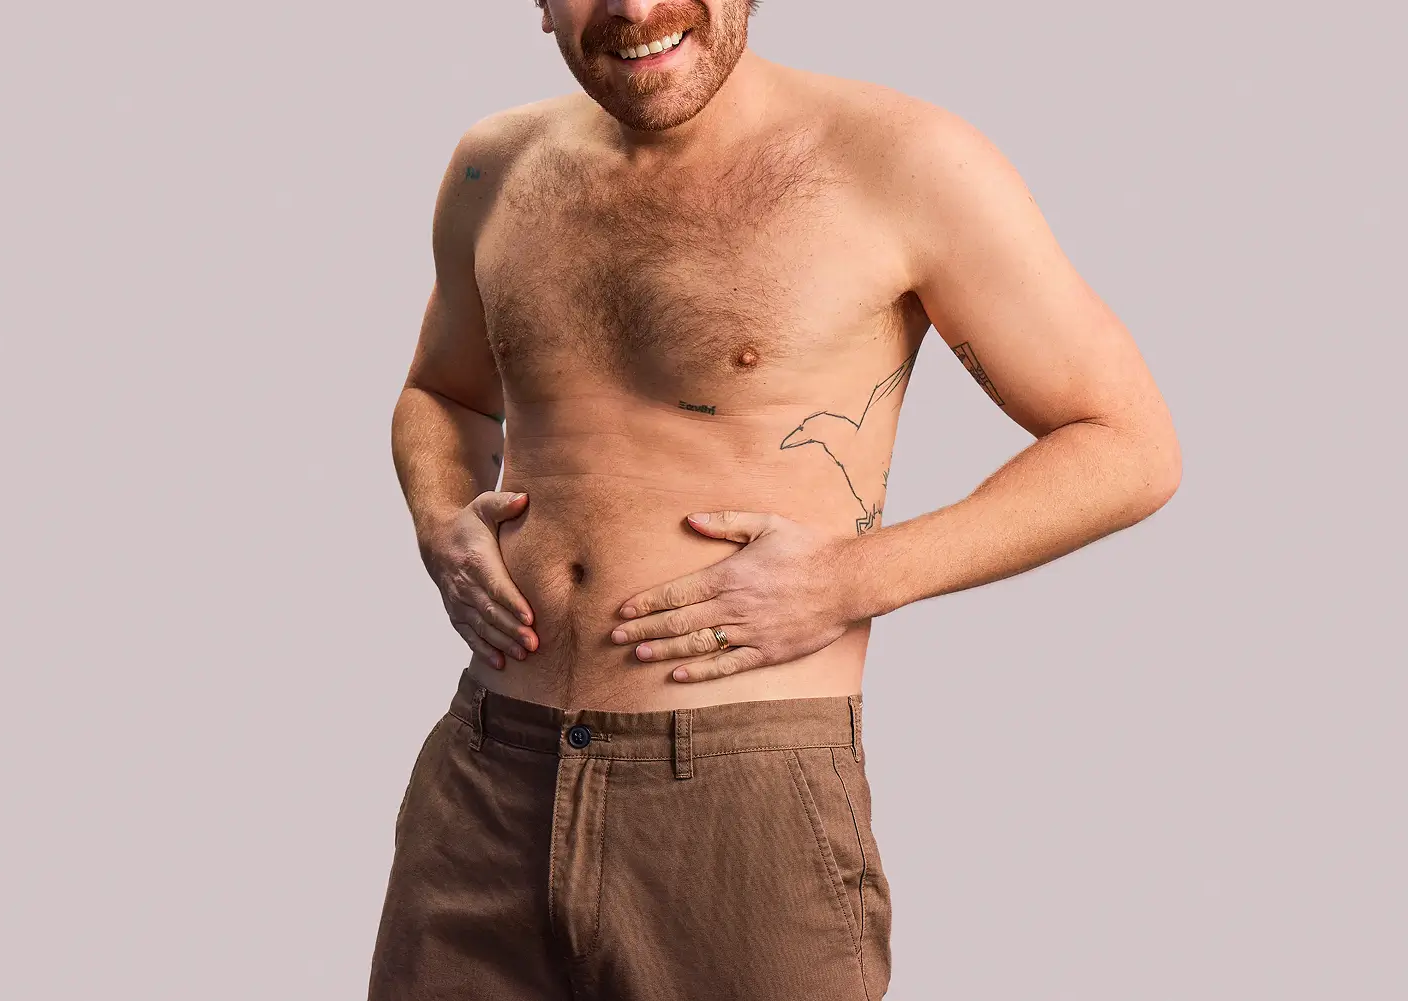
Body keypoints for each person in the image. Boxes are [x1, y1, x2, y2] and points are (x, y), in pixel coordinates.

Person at [368, 1, 1182, 998]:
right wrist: (439, 517)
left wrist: (848, 579)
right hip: (485, 782)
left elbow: (1128, 443)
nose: (632, 7)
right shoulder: (491, 165)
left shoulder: (903, 159)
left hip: (739, 799)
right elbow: (441, 394)